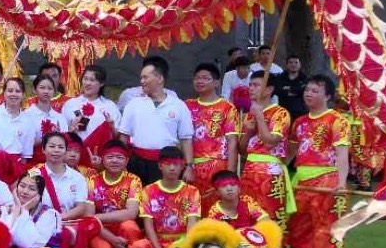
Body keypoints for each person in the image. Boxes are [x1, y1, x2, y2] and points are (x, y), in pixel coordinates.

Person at [284, 75, 350, 248]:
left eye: (315, 91)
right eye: (307, 90)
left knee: (326, 231)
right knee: (297, 228)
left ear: (328, 96)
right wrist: (278, 169)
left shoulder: (337, 120)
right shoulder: (300, 122)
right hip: (302, 181)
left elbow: (342, 154)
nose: (308, 94)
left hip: (326, 181)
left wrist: (341, 182)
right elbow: (291, 153)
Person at [118, 56, 194, 185]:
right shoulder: (133, 104)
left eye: (145, 77)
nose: (142, 81)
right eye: (141, 78)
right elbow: (123, 137)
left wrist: (189, 167)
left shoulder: (178, 105)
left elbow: (186, 139)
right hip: (137, 163)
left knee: (163, 197)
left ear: (159, 78)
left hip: (167, 165)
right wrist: (121, 162)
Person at [30, 131, 99, 248]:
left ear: (65, 150)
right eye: (52, 146)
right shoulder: (34, 174)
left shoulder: (77, 178)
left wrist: (57, 219)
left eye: (61, 147)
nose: (56, 150)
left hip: (66, 226)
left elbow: (81, 207)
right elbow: (24, 199)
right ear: (43, 149)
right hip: (39, 227)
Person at [135, 146, 202, 248]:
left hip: (181, 241)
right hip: (158, 241)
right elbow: (148, 225)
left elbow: (192, 224)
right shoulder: (148, 190)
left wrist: (185, 247)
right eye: (168, 164)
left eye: (176, 164)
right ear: (160, 166)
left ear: (182, 166)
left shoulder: (192, 191)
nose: (172, 168)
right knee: (138, 247)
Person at [236, 70, 294, 221]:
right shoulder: (249, 114)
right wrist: (248, 133)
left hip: (270, 173)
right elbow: (241, 150)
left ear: (269, 90)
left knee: (270, 214)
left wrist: (260, 117)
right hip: (249, 171)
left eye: (256, 85)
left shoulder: (280, 113)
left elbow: (270, 142)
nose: (251, 88)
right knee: (248, 214)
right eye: (250, 85)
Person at [185, 62, 239, 207]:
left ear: (216, 83)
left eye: (205, 78)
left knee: (217, 208)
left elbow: (232, 142)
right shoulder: (187, 105)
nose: (200, 81)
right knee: (193, 207)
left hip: (217, 166)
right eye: (197, 78)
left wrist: (230, 173)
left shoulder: (227, 107)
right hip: (192, 166)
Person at [88, 139, 145, 248]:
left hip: (121, 224)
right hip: (100, 228)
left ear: (127, 161)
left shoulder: (133, 180)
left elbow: (131, 213)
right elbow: (89, 218)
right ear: (103, 159)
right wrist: (112, 238)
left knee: (129, 227)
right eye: (110, 157)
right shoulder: (92, 181)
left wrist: (97, 217)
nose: (114, 160)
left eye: (119, 157)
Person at [61, 65, 121, 160]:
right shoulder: (71, 104)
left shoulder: (110, 106)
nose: (87, 83)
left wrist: (111, 126)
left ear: (101, 83)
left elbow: (118, 137)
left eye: (92, 80)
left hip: (100, 158)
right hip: (75, 157)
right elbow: (61, 134)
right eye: (85, 79)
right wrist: (71, 129)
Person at [0, 77, 37, 183]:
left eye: (18, 91)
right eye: (10, 90)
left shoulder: (28, 120)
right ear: (4, 93)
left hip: (15, 167)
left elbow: (25, 156)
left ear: (23, 95)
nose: (13, 94)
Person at [0, 172, 61, 248]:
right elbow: (3, 238)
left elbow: (28, 245)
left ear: (39, 194)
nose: (25, 191)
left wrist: (24, 210)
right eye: (22, 186)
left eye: (32, 189)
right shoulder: (7, 209)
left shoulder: (49, 214)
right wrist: (17, 209)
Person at [205, 170, 270, 228]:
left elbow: (265, 220)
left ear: (239, 189)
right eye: (224, 186)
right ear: (217, 192)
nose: (229, 189)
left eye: (233, 184)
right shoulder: (214, 213)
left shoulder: (246, 201)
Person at [23, 75, 65, 152]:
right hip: (33, 158)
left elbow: (65, 143)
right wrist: (49, 137)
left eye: (50, 88)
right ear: (34, 90)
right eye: (42, 88)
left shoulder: (60, 117)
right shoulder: (26, 115)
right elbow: (23, 142)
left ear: (54, 91)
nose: (46, 91)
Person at [276, 54, 308, 119]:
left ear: (300, 64)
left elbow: (304, 91)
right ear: (286, 64)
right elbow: (278, 91)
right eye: (290, 62)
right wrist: (296, 90)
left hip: (301, 112)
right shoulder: (280, 78)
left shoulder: (305, 78)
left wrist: (289, 89)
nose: (293, 65)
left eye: (296, 62)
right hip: (283, 113)